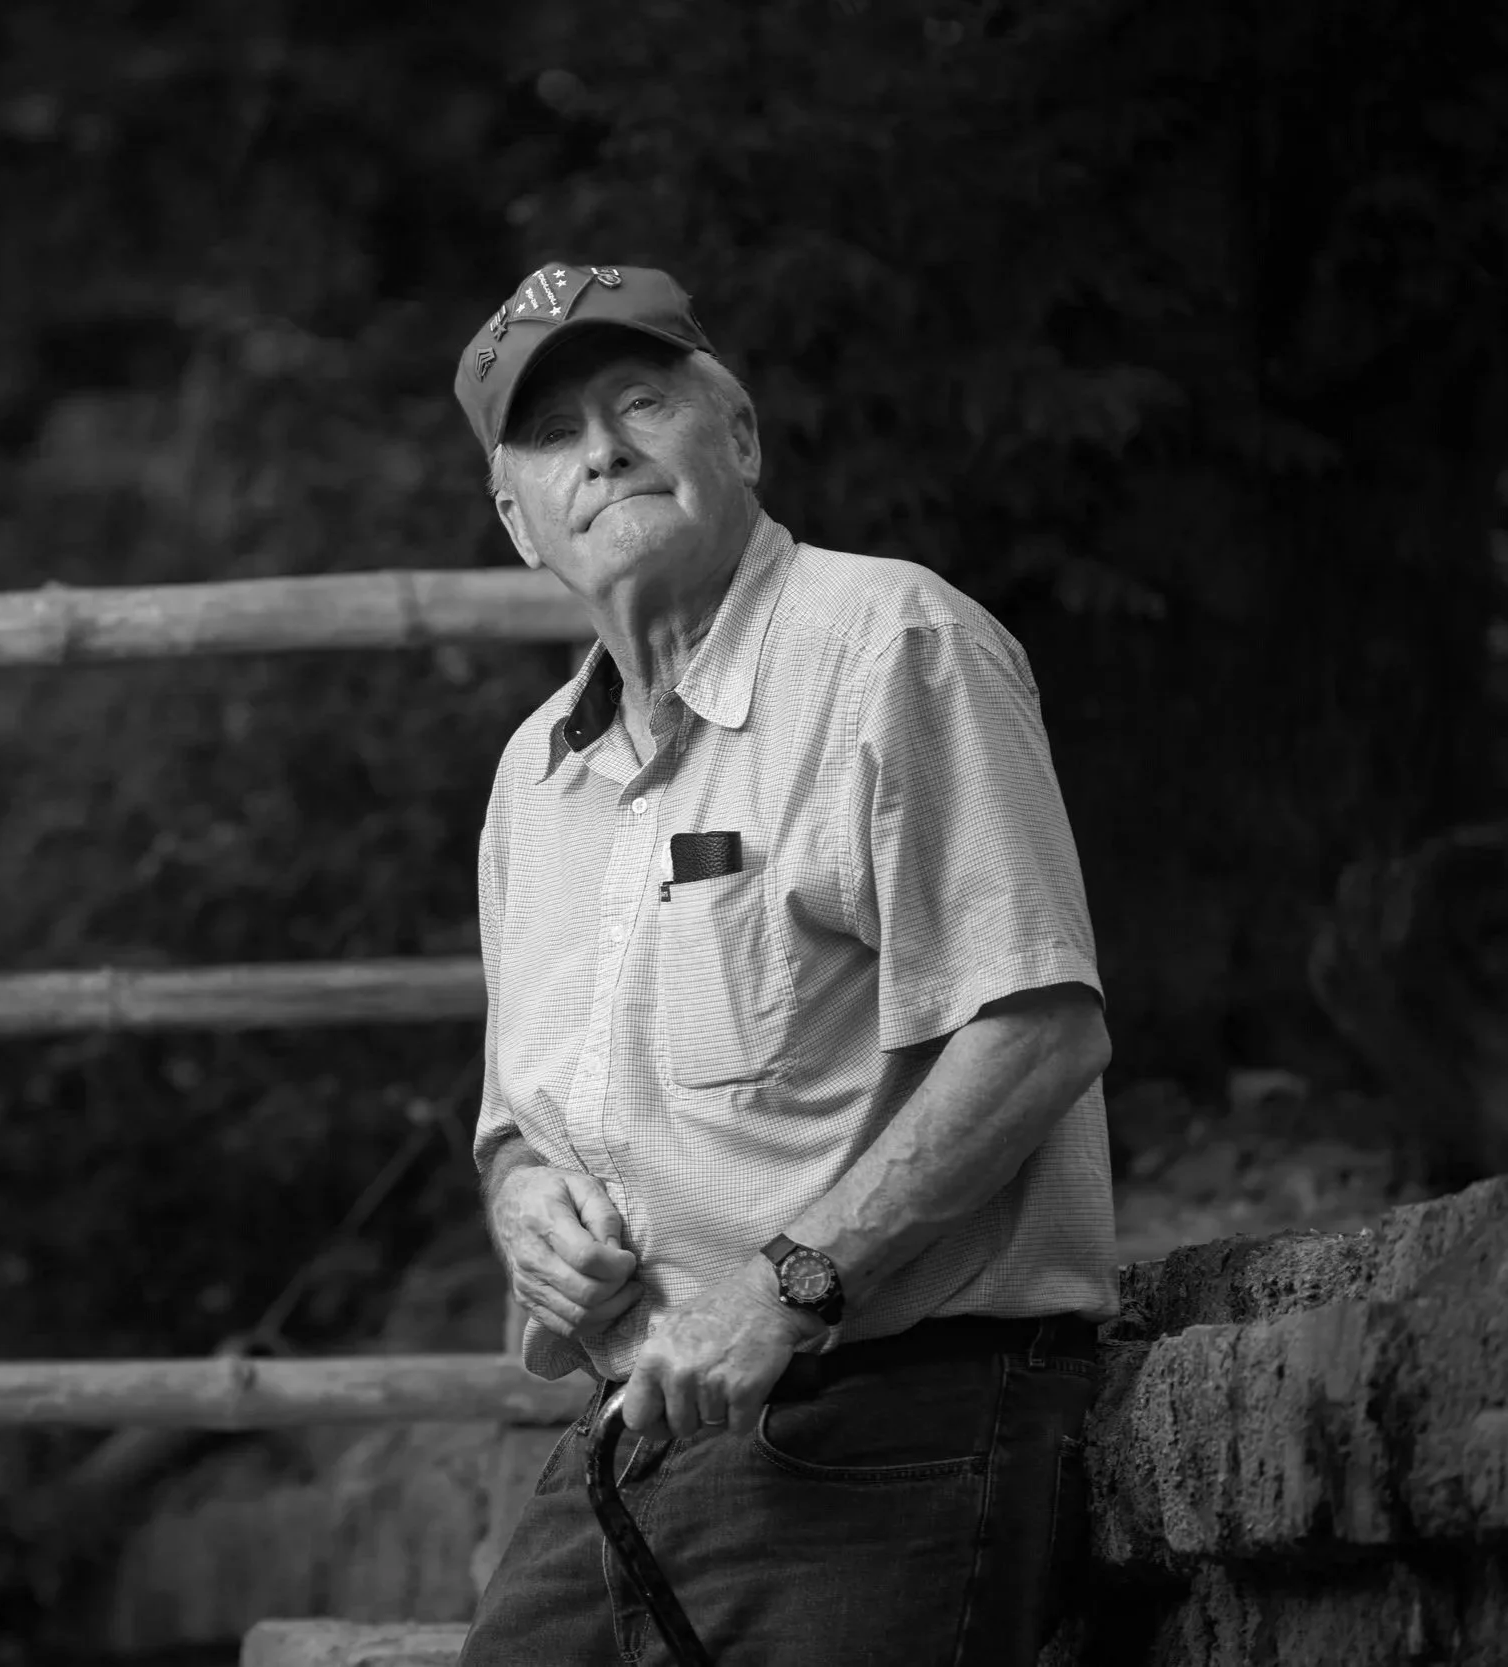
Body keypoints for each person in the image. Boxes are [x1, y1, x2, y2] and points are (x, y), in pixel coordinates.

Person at [452, 262, 1117, 1666]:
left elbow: (1039, 1027)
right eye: (555, 437)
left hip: (889, 1411)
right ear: (519, 521)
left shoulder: (891, 643)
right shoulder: (531, 781)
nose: (604, 450)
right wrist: (524, 1211)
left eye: (639, 403)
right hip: (633, 1433)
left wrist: (788, 1289)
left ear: (737, 436)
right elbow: (516, 1130)